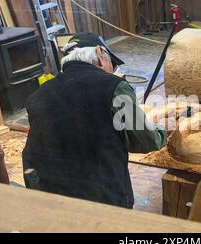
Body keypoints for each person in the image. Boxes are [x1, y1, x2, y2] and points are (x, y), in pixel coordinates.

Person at [22, 33, 167, 209]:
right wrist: (163, 133)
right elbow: (146, 140)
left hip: (50, 194)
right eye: (112, 66)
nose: (113, 73)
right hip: (102, 198)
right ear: (99, 53)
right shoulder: (114, 86)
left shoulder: (40, 93)